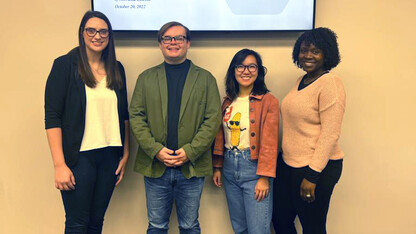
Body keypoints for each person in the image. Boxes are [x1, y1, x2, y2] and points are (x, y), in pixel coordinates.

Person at [129, 21, 221, 234]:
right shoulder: (146, 78)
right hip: (155, 166)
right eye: (167, 38)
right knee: (156, 226)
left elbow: (212, 120)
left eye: (179, 38)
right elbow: (136, 116)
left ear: (188, 43)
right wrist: (155, 150)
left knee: (189, 226)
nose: (173, 42)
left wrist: (190, 151)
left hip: (191, 167)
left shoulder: (205, 79)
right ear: (160, 44)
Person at [44, 11, 129, 233]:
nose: (97, 36)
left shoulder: (116, 68)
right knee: (77, 224)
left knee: (96, 222)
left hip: (110, 156)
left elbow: (124, 115)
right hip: (79, 158)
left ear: (109, 36)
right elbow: (53, 117)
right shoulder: (64, 65)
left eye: (103, 31)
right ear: (82, 33)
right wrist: (59, 165)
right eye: (91, 30)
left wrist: (125, 153)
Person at [272, 27, 346, 234]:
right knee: (280, 218)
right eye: (304, 50)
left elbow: (330, 133)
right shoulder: (302, 81)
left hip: (316, 168)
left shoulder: (330, 82)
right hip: (289, 163)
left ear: (327, 54)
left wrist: (312, 176)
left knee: (312, 226)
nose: (308, 56)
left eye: (315, 51)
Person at [212, 49, 279, 234]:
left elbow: (270, 142)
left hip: (255, 169)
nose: (246, 71)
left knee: (258, 230)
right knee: (240, 228)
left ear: (259, 71)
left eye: (251, 66)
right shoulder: (227, 102)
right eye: (240, 66)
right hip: (229, 169)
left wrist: (264, 177)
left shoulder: (268, 101)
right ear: (233, 70)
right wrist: (218, 166)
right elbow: (220, 136)